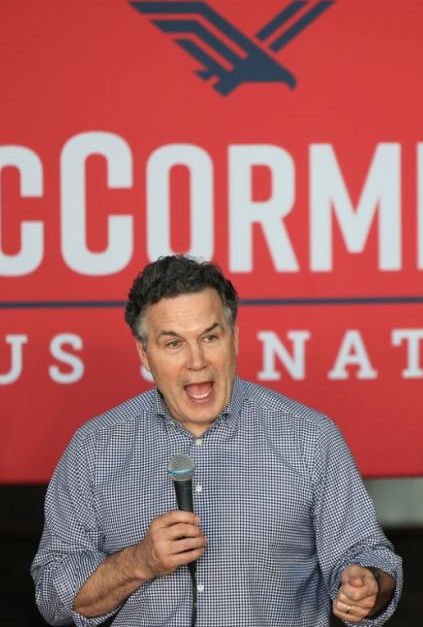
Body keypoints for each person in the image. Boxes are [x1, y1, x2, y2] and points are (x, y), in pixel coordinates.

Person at [32, 255, 402, 626]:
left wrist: (368, 584)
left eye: (210, 337)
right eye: (173, 344)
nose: (197, 362)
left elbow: (371, 555)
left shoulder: (309, 438)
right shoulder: (94, 448)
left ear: (234, 337)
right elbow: (52, 595)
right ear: (145, 354)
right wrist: (138, 562)